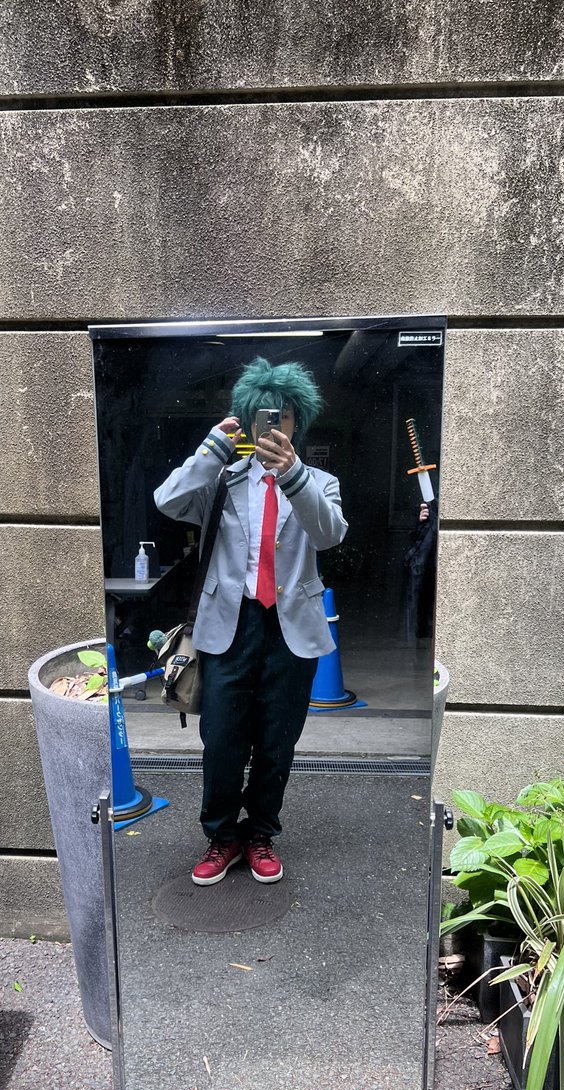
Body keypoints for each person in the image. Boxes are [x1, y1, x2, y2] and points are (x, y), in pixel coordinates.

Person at [154, 357, 348, 886]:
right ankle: (222, 836)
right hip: (228, 625)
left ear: (297, 422)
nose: (274, 425)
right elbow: (167, 500)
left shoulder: (319, 482)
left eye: (284, 416)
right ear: (248, 419)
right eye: (265, 415)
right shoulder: (221, 479)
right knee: (221, 740)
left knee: (277, 742)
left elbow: (330, 534)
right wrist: (212, 448)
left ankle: (260, 832)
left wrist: (292, 476)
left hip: (291, 630)